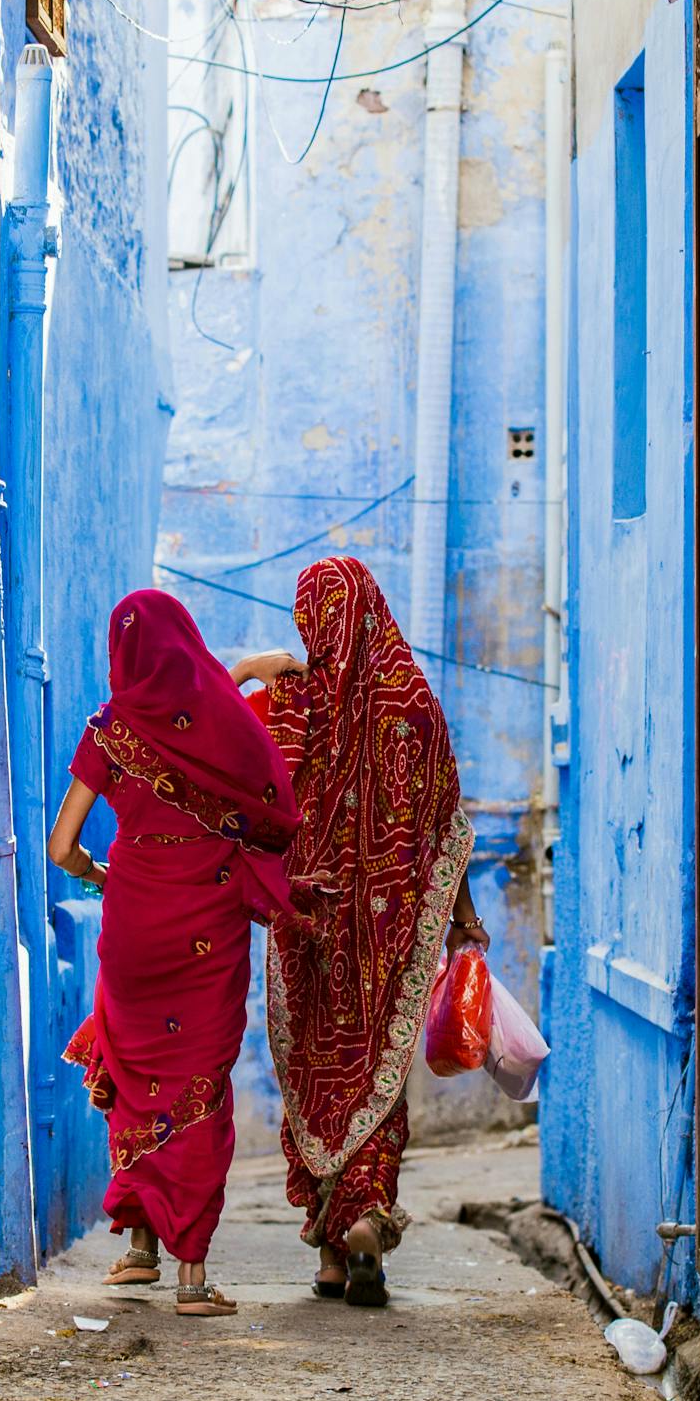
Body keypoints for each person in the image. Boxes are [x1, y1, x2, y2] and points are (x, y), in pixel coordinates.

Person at [232, 557, 487, 1308]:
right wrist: (462, 916)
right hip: (388, 933)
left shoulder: (294, 702)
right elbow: (448, 829)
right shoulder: (414, 704)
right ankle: (367, 1217)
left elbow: (241, 775)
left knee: (318, 1074)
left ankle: (331, 1256)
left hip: (307, 925)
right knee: (376, 1076)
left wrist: (256, 667)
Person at [48, 589, 301, 1318]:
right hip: (206, 921)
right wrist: (254, 671)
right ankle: (192, 1278)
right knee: (197, 1080)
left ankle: (137, 1250)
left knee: (136, 1075)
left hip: (132, 920)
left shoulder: (107, 731)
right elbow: (251, 766)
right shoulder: (217, 722)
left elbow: (62, 847)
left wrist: (105, 875)